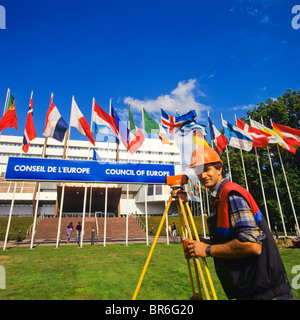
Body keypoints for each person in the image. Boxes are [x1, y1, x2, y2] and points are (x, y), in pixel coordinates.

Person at [184, 146, 293, 300]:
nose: (202, 175)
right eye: (198, 171)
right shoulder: (220, 197)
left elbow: (251, 245)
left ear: (219, 169)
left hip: (267, 294)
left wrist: (208, 249)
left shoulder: (231, 194)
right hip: (254, 292)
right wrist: (202, 243)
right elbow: (233, 238)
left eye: (207, 169)